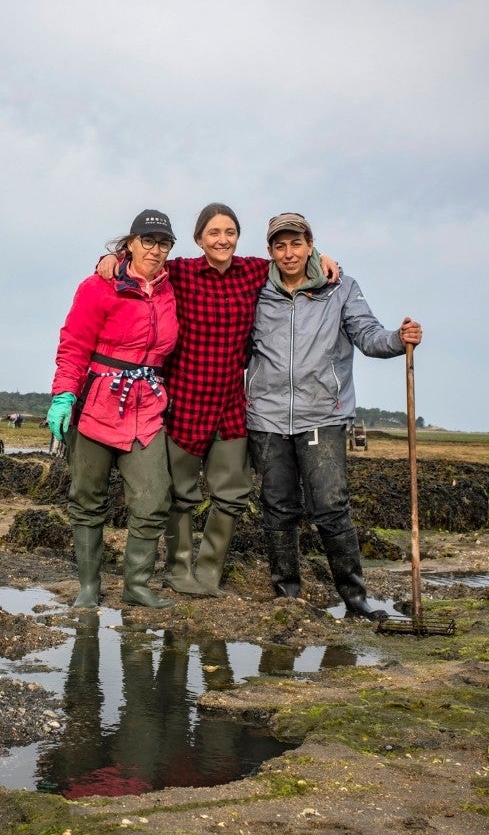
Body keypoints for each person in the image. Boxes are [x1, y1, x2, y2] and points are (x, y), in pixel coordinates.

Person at [96, 203, 339, 597]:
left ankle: (207, 572)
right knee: (181, 496)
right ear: (198, 240)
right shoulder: (183, 273)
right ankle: (178, 571)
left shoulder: (253, 272)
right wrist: (112, 257)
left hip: (230, 405)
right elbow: (142, 264)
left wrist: (323, 257)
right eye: (213, 233)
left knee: (232, 494)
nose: (222, 239)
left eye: (229, 232)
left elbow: (293, 261)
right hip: (186, 403)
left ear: (237, 238)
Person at [246, 212, 422, 620]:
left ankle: (355, 601)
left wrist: (399, 339)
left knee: (330, 507)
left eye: (296, 243)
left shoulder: (340, 287)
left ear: (310, 244)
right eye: (279, 245)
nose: (288, 253)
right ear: (270, 250)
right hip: (265, 418)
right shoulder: (255, 287)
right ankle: (286, 597)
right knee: (277, 507)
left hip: (322, 414)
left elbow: (368, 335)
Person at [48, 209, 179, 609]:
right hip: (97, 403)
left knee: (154, 498)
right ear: (130, 243)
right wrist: (63, 395)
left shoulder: (176, 287)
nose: (155, 251)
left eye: (164, 244)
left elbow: (224, 261)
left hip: (148, 405)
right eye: (148, 241)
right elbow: (73, 346)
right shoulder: (98, 286)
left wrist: (323, 260)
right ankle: (88, 585)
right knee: (87, 496)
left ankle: (136, 585)